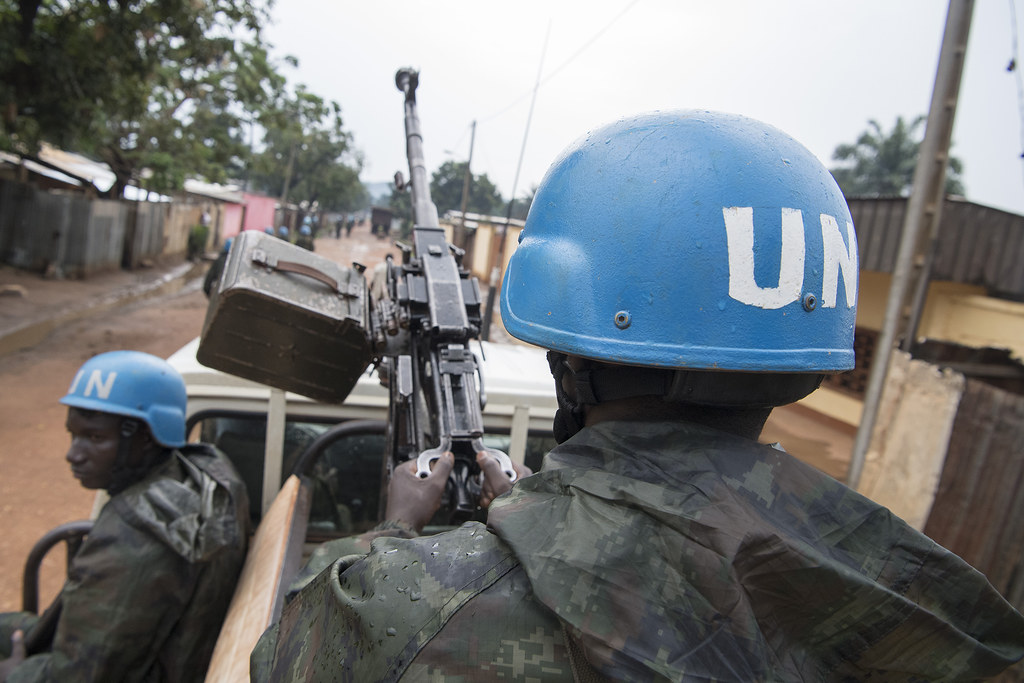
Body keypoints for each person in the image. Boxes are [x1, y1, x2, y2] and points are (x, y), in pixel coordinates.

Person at [251, 111, 1024, 681]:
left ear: (568, 357)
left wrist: (394, 533)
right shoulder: (912, 592)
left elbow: (283, 655)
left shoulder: (426, 603)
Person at [0, 351, 250, 682]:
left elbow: (80, 677)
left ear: (146, 437)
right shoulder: (208, 466)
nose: (73, 455)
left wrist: (14, 673)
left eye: (94, 438)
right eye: (73, 435)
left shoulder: (131, 539)